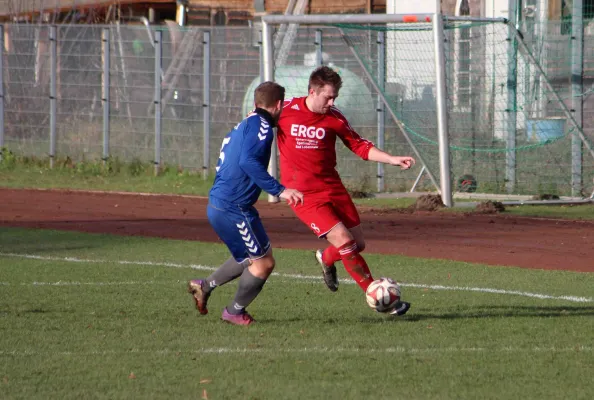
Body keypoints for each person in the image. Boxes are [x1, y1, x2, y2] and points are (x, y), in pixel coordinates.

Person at [276, 66, 415, 316]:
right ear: (312, 91)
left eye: (334, 97)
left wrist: (391, 159)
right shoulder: (286, 110)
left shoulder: (335, 118)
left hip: (332, 188)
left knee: (357, 244)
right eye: (327, 97)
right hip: (303, 195)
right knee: (345, 241)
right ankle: (380, 299)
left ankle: (326, 258)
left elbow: (359, 146)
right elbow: (258, 117)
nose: (331, 102)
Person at [188, 81, 303, 326]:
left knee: (250, 258)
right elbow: (248, 162)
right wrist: (280, 190)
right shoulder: (261, 127)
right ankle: (234, 311)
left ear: (255, 103)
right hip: (234, 208)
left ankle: (204, 286)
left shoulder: (243, 125)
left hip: (222, 204)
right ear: (279, 105)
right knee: (263, 263)